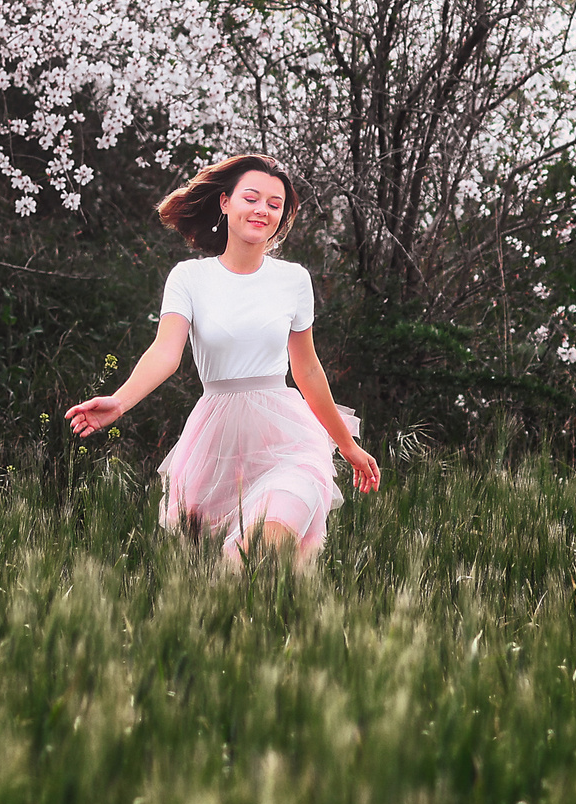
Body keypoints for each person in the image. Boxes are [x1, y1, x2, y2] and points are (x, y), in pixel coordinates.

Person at [66, 154, 380, 569]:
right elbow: (165, 352)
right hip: (216, 442)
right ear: (225, 203)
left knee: (271, 540)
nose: (262, 210)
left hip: (287, 438)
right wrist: (120, 402)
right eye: (251, 198)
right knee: (232, 572)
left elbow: (306, 370)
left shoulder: (293, 280)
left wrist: (346, 444)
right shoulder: (190, 279)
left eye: (274, 203)